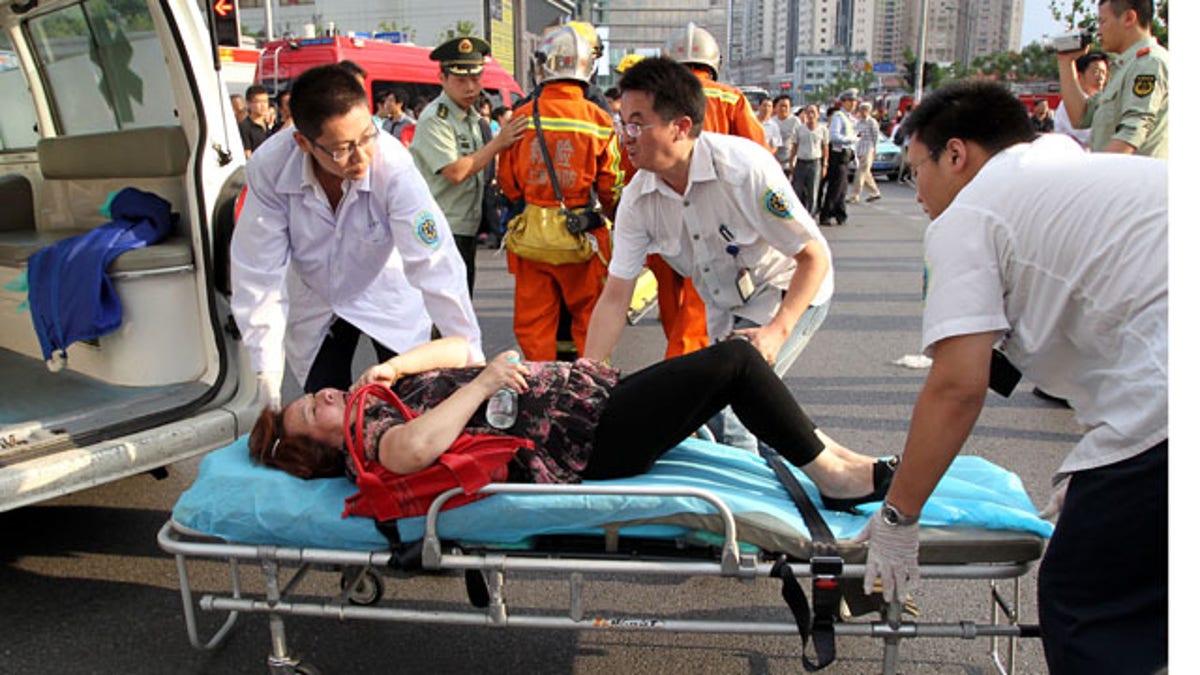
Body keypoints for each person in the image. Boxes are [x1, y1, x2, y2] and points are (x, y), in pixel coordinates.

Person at [854, 79, 1166, 674]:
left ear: (955, 154)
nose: (914, 188)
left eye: (916, 168)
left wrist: (898, 516)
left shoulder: (970, 216)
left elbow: (958, 387)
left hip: (1166, 405)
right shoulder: (1064, 165)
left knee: (1087, 608)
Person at [250, 337, 895, 518]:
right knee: (734, 361)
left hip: (591, 407)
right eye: (314, 410)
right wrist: (481, 384)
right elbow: (411, 452)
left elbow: (452, 344)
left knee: (734, 362)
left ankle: (832, 458)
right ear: (322, 448)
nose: (324, 394)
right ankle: (834, 475)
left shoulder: (373, 398)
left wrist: (387, 369)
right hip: (587, 443)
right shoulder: (371, 438)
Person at [584, 57, 834, 454]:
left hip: (787, 292)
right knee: (742, 413)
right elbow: (616, 297)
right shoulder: (637, 200)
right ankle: (829, 475)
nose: (624, 137)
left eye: (636, 124)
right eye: (621, 123)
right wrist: (588, 375)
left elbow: (813, 257)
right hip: (726, 309)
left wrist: (776, 332)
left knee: (734, 411)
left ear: (681, 126)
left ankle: (749, 510)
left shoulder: (743, 168)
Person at [230, 64, 484, 410]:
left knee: (407, 406)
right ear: (303, 142)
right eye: (342, 149)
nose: (362, 156)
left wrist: (472, 360)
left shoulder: (393, 165)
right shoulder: (270, 169)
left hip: (388, 294)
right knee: (324, 417)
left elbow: (436, 263)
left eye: (367, 135)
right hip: (317, 299)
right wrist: (267, 388)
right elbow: (259, 276)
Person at [496, 22, 622, 361]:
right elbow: (611, 183)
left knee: (534, 325)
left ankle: (540, 394)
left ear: (543, 66)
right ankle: (592, 390)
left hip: (531, 236)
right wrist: (611, 213)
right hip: (581, 233)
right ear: (587, 67)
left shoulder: (521, 116)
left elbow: (507, 180)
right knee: (589, 320)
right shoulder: (598, 120)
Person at [409, 37, 528, 296]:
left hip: (464, 227)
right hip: (442, 229)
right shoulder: (435, 118)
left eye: (476, 78)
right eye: (461, 80)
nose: (470, 87)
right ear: (442, 78)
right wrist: (499, 142)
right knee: (445, 309)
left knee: (459, 306)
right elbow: (456, 172)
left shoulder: (471, 117)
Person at [1056, 0, 1167, 158]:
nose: (1099, 31)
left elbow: (1133, 131)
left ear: (1129, 18)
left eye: (1103, 21)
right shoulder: (1125, 67)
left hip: (1132, 179)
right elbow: (1080, 116)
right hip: (1118, 176)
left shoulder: (1148, 63)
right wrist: (1065, 62)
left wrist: (1095, 173)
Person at [819, 89, 858, 226]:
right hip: (838, 154)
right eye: (851, 101)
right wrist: (851, 139)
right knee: (836, 187)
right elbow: (834, 136)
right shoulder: (838, 117)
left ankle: (840, 213)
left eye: (855, 101)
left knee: (842, 187)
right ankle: (826, 214)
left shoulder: (850, 118)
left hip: (847, 156)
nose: (854, 104)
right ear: (844, 102)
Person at [1054, 52, 1107, 149]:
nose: (1101, 77)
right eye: (1096, 72)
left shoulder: (1100, 101)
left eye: (1104, 72)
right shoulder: (1069, 105)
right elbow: (1087, 136)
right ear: (1079, 75)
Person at [791, 104, 827, 216]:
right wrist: (791, 161)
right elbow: (795, 146)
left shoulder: (823, 130)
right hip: (801, 162)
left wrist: (825, 164)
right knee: (798, 190)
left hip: (815, 163)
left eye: (813, 112)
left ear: (818, 114)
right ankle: (797, 215)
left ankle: (811, 215)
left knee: (813, 192)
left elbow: (825, 147)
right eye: (808, 112)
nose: (811, 115)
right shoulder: (800, 129)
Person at [848, 101, 882, 203]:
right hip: (860, 149)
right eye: (862, 109)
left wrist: (875, 149)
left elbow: (876, 136)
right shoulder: (858, 122)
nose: (863, 112)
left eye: (865, 110)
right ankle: (875, 192)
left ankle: (855, 195)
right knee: (865, 173)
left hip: (869, 148)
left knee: (860, 172)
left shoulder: (872, 122)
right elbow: (855, 135)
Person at [239, 84, 275, 157]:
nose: (263, 105)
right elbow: (247, 153)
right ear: (248, 103)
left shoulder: (271, 122)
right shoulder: (244, 126)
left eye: (265, 101)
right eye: (258, 102)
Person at [770, 95, 802, 176]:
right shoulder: (772, 122)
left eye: (786, 106)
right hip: (774, 162)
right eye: (781, 106)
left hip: (790, 162)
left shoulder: (795, 121)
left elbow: (799, 141)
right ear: (776, 107)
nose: (783, 109)